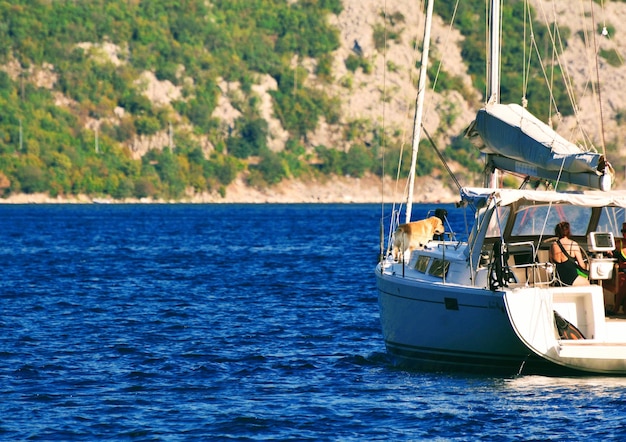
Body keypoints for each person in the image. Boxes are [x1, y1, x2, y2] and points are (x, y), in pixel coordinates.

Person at [550, 221, 590, 286]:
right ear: (568, 231)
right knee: (587, 283)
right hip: (572, 278)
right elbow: (582, 265)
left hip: (558, 279)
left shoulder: (553, 245)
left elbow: (552, 262)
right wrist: (587, 266)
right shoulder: (573, 244)